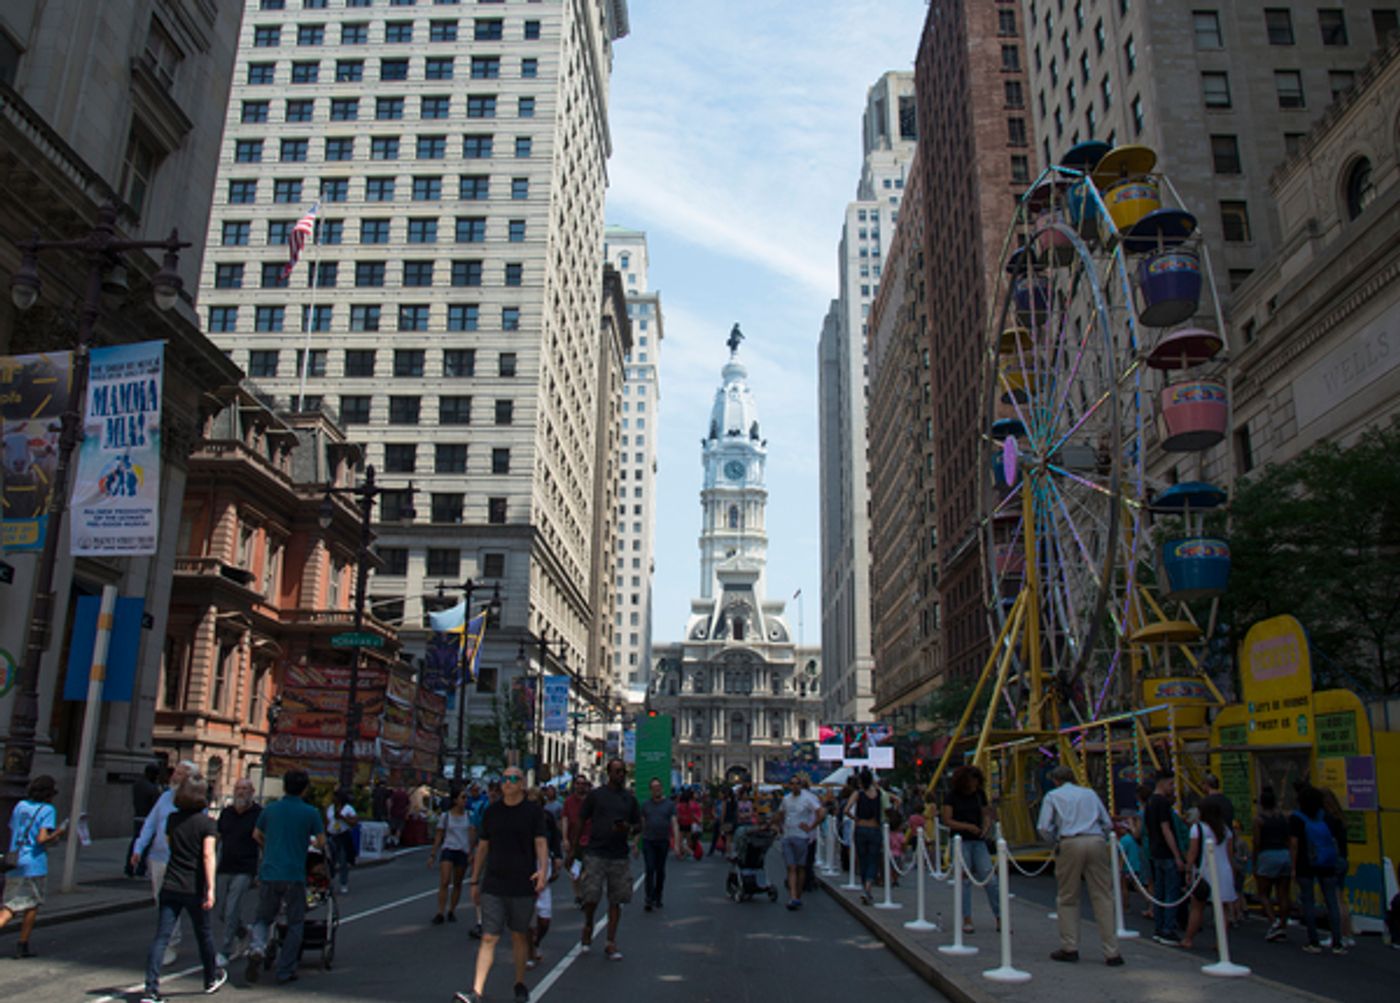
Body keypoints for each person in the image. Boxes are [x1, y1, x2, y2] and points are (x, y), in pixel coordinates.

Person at [452, 767, 548, 1003]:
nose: (508, 782)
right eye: (505, 779)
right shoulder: (492, 812)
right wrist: (474, 879)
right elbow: (483, 846)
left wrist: (543, 870)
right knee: (488, 936)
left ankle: (519, 983)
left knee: (518, 935)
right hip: (494, 881)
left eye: (514, 778)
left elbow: (541, 843)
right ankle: (476, 990)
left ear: (523, 784)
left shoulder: (533, 813)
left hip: (522, 882)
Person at [141, 775, 226, 1002]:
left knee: (162, 936)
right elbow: (208, 855)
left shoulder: (172, 820)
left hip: (172, 882)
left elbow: (172, 847)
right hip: (194, 885)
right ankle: (210, 978)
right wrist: (211, 888)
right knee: (204, 934)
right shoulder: (207, 824)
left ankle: (150, 988)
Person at [245, 769, 325, 985]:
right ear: (305, 789)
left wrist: (269, 846)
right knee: (295, 922)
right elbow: (320, 842)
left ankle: (257, 948)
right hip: (294, 873)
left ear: (284, 786)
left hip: (270, 871)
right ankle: (285, 969)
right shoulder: (311, 812)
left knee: (263, 917)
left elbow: (256, 834)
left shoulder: (270, 810)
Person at [1036, 766, 1123, 965]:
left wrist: (1055, 840)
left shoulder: (1053, 796)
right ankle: (1112, 951)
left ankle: (1070, 946)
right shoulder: (1090, 793)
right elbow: (1107, 822)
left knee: (1068, 896)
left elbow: (1043, 826)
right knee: (1103, 895)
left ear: (1056, 780)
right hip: (1095, 839)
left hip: (1070, 841)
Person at [572, 758, 641, 960]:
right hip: (596, 852)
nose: (621, 775)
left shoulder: (629, 799)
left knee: (616, 900)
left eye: (623, 772)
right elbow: (581, 819)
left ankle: (610, 941)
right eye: (617, 771)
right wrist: (573, 850)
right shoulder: (596, 796)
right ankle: (588, 924)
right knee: (591, 895)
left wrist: (628, 828)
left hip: (619, 855)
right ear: (609, 772)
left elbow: (638, 825)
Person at [132, 760, 197, 966]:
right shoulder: (164, 798)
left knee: (175, 902)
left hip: (181, 861)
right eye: (174, 773)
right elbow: (151, 824)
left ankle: (171, 942)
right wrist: (138, 848)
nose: (174, 777)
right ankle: (168, 940)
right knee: (162, 901)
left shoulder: (195, 801)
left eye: (179, 774)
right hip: (158, 857)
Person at [0, 774, 66, 957]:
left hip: (15, 860)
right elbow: (42, 838)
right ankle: (23, 943)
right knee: (25, 905)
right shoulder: (47, 810)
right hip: (34, 863)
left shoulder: (20, 806)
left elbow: (12, 827)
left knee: (12, 904)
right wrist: (59, 832)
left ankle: (23, 944)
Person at [940, 765, 1000, 932]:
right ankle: (967, 918)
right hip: (960, 841)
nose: (974, 784)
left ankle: (1000, 916)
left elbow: (985, 813)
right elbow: (947, 820)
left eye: (976, 781)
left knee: (990, 879)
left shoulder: (979, 794)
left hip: (978, 840)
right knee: (964, 881)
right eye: (971, 781)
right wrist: (967, 826)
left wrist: (986, 825)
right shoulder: (952, 796)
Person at [1289, 784, 1347, 955]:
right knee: (1332, 901)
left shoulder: (1297, 818)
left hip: (1305, 864)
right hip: (1327, 862)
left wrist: (1293, 867)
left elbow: (1294, 844)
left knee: (1308, 901)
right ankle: (1338, 941)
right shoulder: (1328, 817)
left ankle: (1313, 941)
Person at [215, 778, 260, 966]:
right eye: (238, 788)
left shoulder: (258, 814)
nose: (241, 792)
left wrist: (260, 870)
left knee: (232, 907)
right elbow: (217, 837)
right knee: (221, 910)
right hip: (225, 865)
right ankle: (242, 932)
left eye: (245, 789)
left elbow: (262, 840)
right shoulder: (226, 813)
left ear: (252, 792)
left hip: (245, 867)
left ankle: (225, 951)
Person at [1180, 798, 1235, 951]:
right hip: (1223, 870)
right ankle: (1221, 942)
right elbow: (1230, 854)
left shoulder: (1197, 829)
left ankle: (1188, 939)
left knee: (1197, 907)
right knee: (1222, 909)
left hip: (1204, 871)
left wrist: (1188, 869)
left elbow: (1193, 852)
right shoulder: (1225, 830)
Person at [1143, 769, 1185, 945]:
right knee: (1171, 891)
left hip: (1155, 851)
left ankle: (1160, 927)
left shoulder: (1150, 802)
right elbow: (1166, 829)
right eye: (1170, 783)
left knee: (1160, 891)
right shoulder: (1162, 803)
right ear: (1162, 782)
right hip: (1166, 852)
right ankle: (1168, 928)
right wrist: (1177, 855)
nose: (1172, 787)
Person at [526, 786, 565, 970]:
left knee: (545, 919)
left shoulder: (547, 818)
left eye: (536, 803)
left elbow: (555, 839)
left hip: (543, 866)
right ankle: (529, 951)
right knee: (526, 913)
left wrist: (558, 857)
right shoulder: (521, 819)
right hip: (525, 866)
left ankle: (536, 940)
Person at [775, 776, 824, 910]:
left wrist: (811, 826)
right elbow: (780, 813)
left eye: (797, 784)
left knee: (801, 867)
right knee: (791, 867)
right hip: (787, 836)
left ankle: (798, 895)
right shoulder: (786, 799)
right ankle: (793, 897)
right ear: (789, 785)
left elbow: (821, 812)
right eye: (792, 784)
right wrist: (778, 826)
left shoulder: (808, 798)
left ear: (801, 785)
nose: (795, 786)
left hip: (802, 837)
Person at [1252, 786, 1292, 942]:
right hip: (1284, 853)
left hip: (1267, 854)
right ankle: (1282, 924)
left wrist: (1255, 862)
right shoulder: (1283, 818)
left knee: (1263, 893)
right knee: (1283, 893)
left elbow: (1257, 842)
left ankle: (1273, 922)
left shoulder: (1259, 820)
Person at [430, 786, 474, 924]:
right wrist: (433, 853)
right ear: (455, 800)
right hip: (449, 848)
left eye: (466, 798)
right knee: (444, 880)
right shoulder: (446, 816)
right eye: (462, 797)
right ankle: (440, 911)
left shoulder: (469, 816)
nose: (465, 800)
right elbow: (439, 835)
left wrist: (472, 852)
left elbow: (472, 835)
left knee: (458, 882)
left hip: (462, 850)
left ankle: (452, 910)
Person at [1319, 788, 1356, 948]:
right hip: (1343, 859)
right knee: (1341, 899)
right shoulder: (1340, 818)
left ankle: (1337, 935)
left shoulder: (1326, 820)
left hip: (1332, 860)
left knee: (1332, 900)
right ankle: (1347, 934)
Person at [844, 768, 886, 907]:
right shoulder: (878, 793)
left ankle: (865, 888)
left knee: (862, 859)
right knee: (873, 859)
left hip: (861, 827)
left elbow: (846, 809)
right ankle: (868, 886)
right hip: (875, 828)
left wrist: (855, 819)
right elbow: (894, 801)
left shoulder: (858, 793)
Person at [639, 778, 680, 912]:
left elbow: (674, 824)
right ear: (650, 790)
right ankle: (648, 898)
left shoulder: (669, 805)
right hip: (648, 841)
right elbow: (642, 825)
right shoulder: (645, 805)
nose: (657, 789)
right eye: (654, 787)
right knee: (650, 868)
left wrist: (677, 844)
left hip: (663, 841)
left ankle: (658, 895)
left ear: (661, 788)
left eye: (658, 787)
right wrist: (635, 842)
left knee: (660, 870)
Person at [127, 764, 162, 878]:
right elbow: (156, 804)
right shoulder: (152, 788)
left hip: (137, 816)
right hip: (147, 818)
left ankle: (129, 867)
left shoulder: (137, 785)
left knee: (135, 842)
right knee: (145, 843)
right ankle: (141, 868)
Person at [324, 788, 358, 895]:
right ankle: (329, 884)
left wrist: (343, 818)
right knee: (330, 861)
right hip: (331, 835)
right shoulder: (330, 808)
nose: (334, 799)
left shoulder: (348, 809)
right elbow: (327, 821)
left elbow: (354, 822)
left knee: (343, 861)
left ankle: (343, 883)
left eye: (336, 796)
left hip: (342, 836)